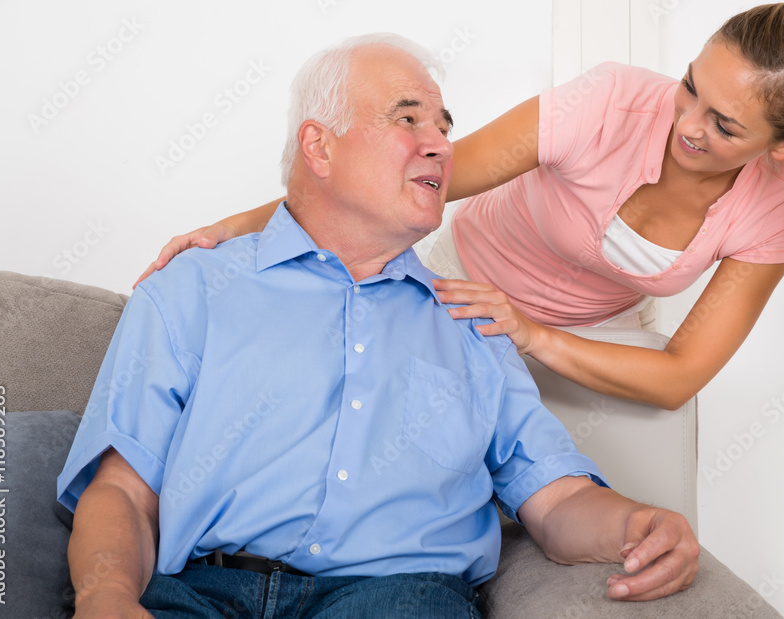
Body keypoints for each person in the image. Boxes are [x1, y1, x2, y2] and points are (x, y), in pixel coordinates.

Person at [58, 34, 699, 618]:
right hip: (201, 593)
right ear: (319, 147)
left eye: (444, 126)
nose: (440, 143)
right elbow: (122, 490)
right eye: (408, 118)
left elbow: (555, 499)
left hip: (396, 599)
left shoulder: (473, 322)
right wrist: (106, 597)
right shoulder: (191, 288)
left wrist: (637, 524)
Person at [136, 2, 784, 411]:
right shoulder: (609, 102)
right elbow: (408, 180)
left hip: (595, 335)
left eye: (725, 126)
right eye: (690, 88)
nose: (688, 125)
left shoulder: (775, 208)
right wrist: (230, 227)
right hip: (459, 283)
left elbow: (678, 376)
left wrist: (534, 336)